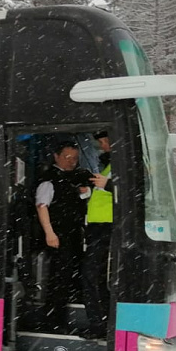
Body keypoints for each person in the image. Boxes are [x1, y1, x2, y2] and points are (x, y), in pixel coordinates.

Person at [35, 141, 94, 334]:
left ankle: (63, 318)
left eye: (75, 158)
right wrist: (49, 233)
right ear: (56, 156)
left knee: (71, 276)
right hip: (58, 235)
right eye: (67, 158)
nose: (72, 162)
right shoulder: (49, 179)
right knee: (58, 279)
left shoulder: (75, 178)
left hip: (74, 234)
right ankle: (53, 320)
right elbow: (42, 206)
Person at [82, 131, 114, 339]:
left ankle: (99, 325)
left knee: (92, 277)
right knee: (96, 278)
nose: (102, 146)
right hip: (97, 228)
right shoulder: (109, 164)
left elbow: (137, 191)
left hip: (107, 228)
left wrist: (107, 185)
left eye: (104, 141)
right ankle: (101, 324)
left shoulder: (121, 164)